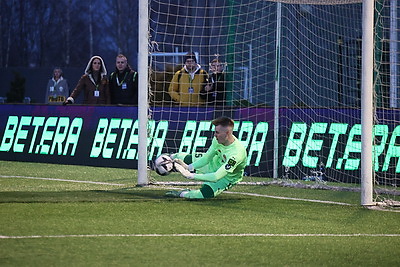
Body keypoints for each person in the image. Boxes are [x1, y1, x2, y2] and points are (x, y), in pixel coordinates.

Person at [166, 117, 248, 199]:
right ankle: (167, 158)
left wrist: (190, 175)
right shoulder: (218, 139)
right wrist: (189, 167)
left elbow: (216, 177)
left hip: (226, 177)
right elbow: (206, 158)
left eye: (217, 132)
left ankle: (182, 193)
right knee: (182, 157)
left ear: (227, 133)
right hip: (212, 163)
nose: (215, 135)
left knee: (203, 195)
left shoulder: (236, 154)